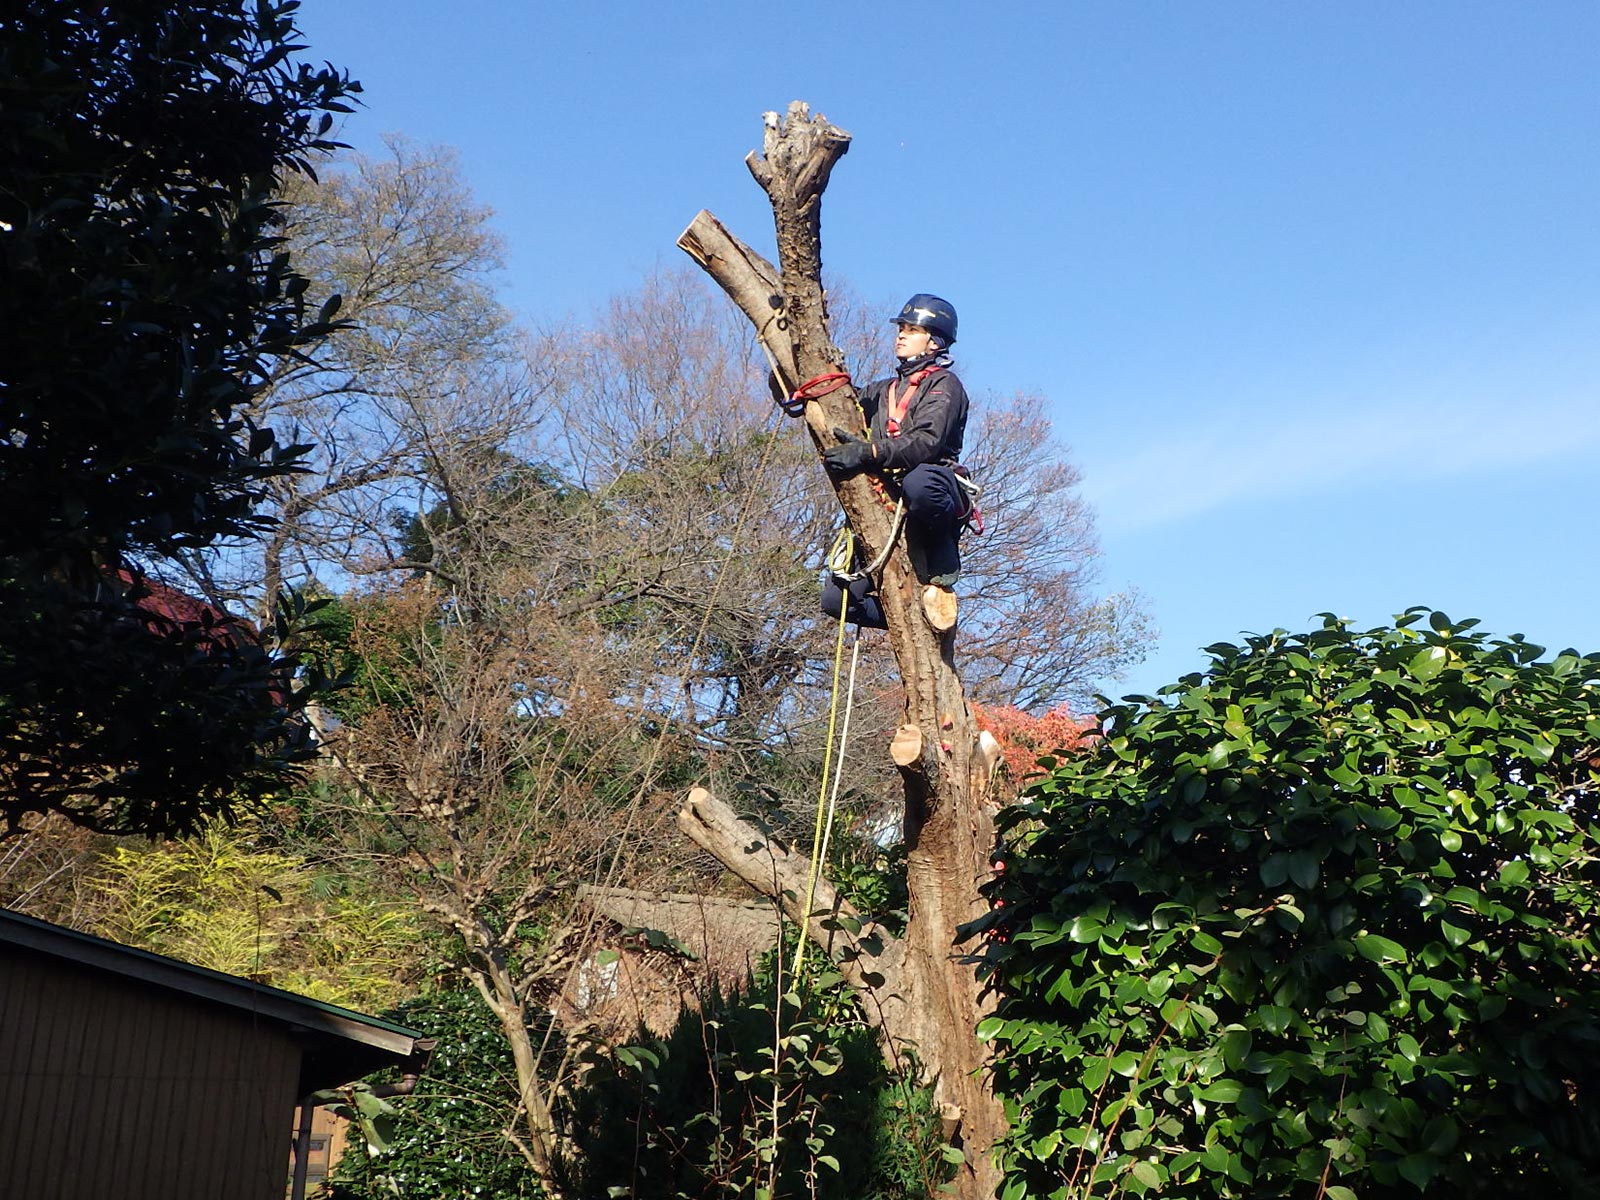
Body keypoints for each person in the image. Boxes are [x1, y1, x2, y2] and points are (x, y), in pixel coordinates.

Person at [820, 294, 971, 631]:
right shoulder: (881, 391)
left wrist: (869, 453)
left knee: (920, 481)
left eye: (912, 329)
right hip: (887, 491)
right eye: (901, 328)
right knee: (835, 601)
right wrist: (790, 382)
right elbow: (837, 405)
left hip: (933, 487)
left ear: (934, 342)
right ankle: (908, 619)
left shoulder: (943, 385)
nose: (901, 334)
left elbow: (926, 442)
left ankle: (940, 548)